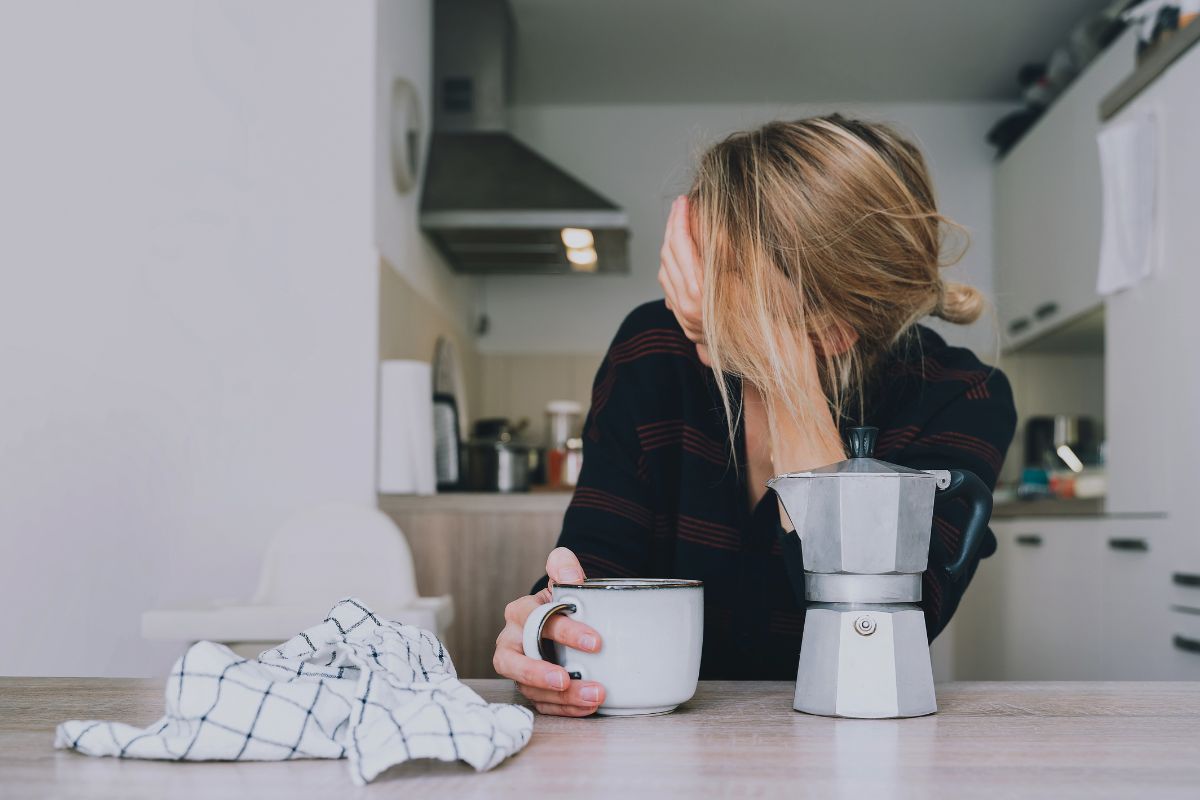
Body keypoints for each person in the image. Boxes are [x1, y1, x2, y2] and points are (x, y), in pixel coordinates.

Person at [492, 115, 1017, 717]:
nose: (693, 296)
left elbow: (876, 621)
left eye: (728, 273)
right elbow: (596, 570)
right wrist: (552, 640)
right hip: (660, 741)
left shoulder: (963, 396)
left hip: (857, 737)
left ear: (834, 329)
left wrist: (778, 377)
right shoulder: (655, 350)